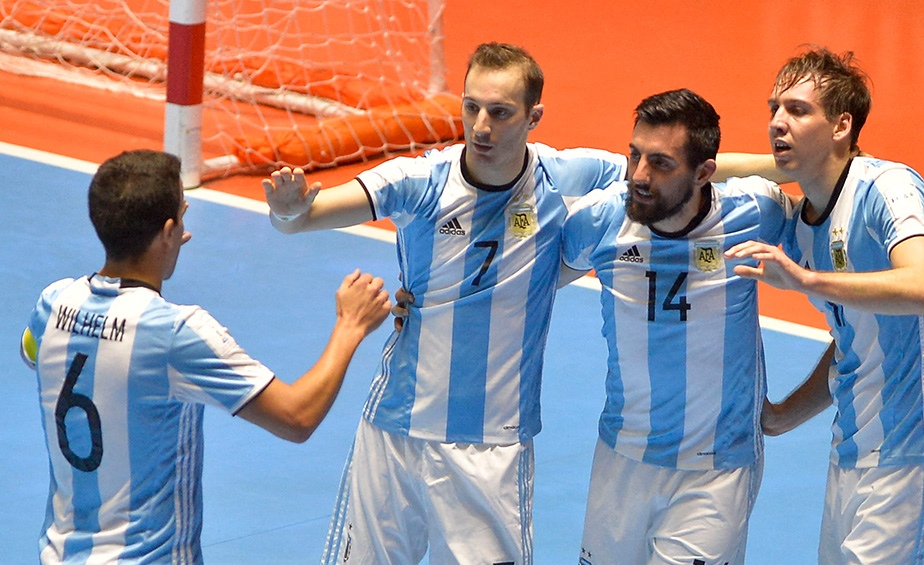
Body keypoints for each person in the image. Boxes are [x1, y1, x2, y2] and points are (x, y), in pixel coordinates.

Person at [262, 42, 626, 564]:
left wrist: (780, 172)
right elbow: (303, 217)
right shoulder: (419, 182)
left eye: (500, 113)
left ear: (533, 117)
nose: (481, 126)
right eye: (471, 106)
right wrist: (289, 209)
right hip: (396, 429)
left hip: (493, 444)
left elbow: (672, 171)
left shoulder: (562, 175)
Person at [19, 149, 391, 564]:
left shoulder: (51, 305)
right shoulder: (177, 333)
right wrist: (350, 325)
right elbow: (296, 418)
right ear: (167, 232)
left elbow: (32, 352)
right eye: (182, 214)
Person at [725, 47, 924, 564]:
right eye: (773, 108)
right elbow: (855, 345)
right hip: (854, 456)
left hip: (918, 456)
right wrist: (780, 417)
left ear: (842, 125)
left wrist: (805, 281)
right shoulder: (806, 222)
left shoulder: (890, 189)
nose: (777, 121)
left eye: (797, 110)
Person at [561, 89, 795, 564]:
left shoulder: (755, 214)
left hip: (715, 469)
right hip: (621, 458)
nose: (640, 177)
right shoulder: (600, 220)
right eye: (635, 156)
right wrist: (417, 303)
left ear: (705, 172)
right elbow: (521, 281)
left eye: (661, 164)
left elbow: (833, 234)